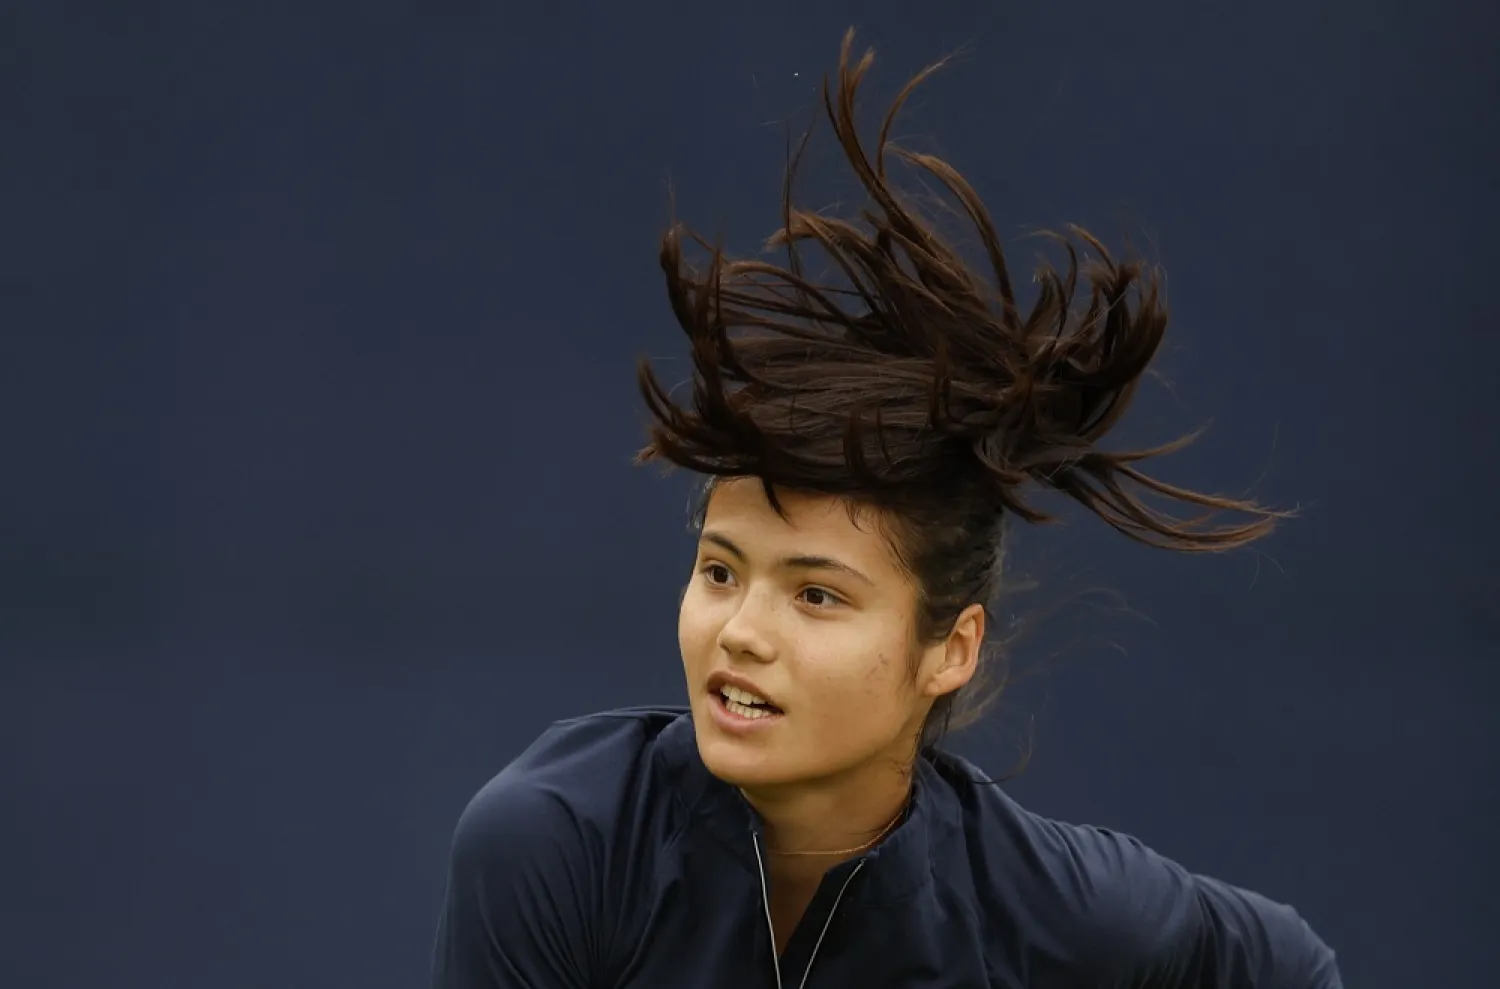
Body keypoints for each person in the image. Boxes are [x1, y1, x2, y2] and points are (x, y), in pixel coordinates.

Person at [430, 29, 1342, 989]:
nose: (740, 631)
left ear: (950, 647)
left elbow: (1290, 966)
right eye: (720, 570)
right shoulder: (555, 842)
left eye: (817, 595)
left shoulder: (1047, 903)